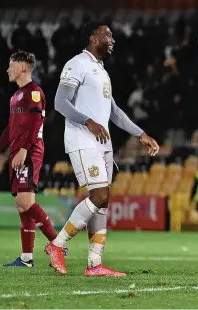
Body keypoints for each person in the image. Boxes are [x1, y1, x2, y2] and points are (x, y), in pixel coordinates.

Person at [45, 22, 160, 276]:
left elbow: (115, 112)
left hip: (102, 143)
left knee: (102, 203)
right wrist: (89, 121)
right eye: (107, 35)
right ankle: (57, 244)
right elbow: (60, 102)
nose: (112, 39)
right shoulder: (77, 63)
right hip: (82, 139)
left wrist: (140, 134)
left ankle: (95, 264)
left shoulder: (101, 70)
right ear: (92, 37)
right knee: (99, 196)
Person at [0, 50, 59, 267]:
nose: (8, 69)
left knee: (25, 202)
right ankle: (27, 258)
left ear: (23, 67)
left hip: (29, 152)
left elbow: (37, 122)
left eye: (11, 65)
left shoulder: (34, 92)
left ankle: (58, 244)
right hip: (17, 153)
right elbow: (10, 128)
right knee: (22, 206)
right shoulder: (15, 96)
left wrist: (25, 150)